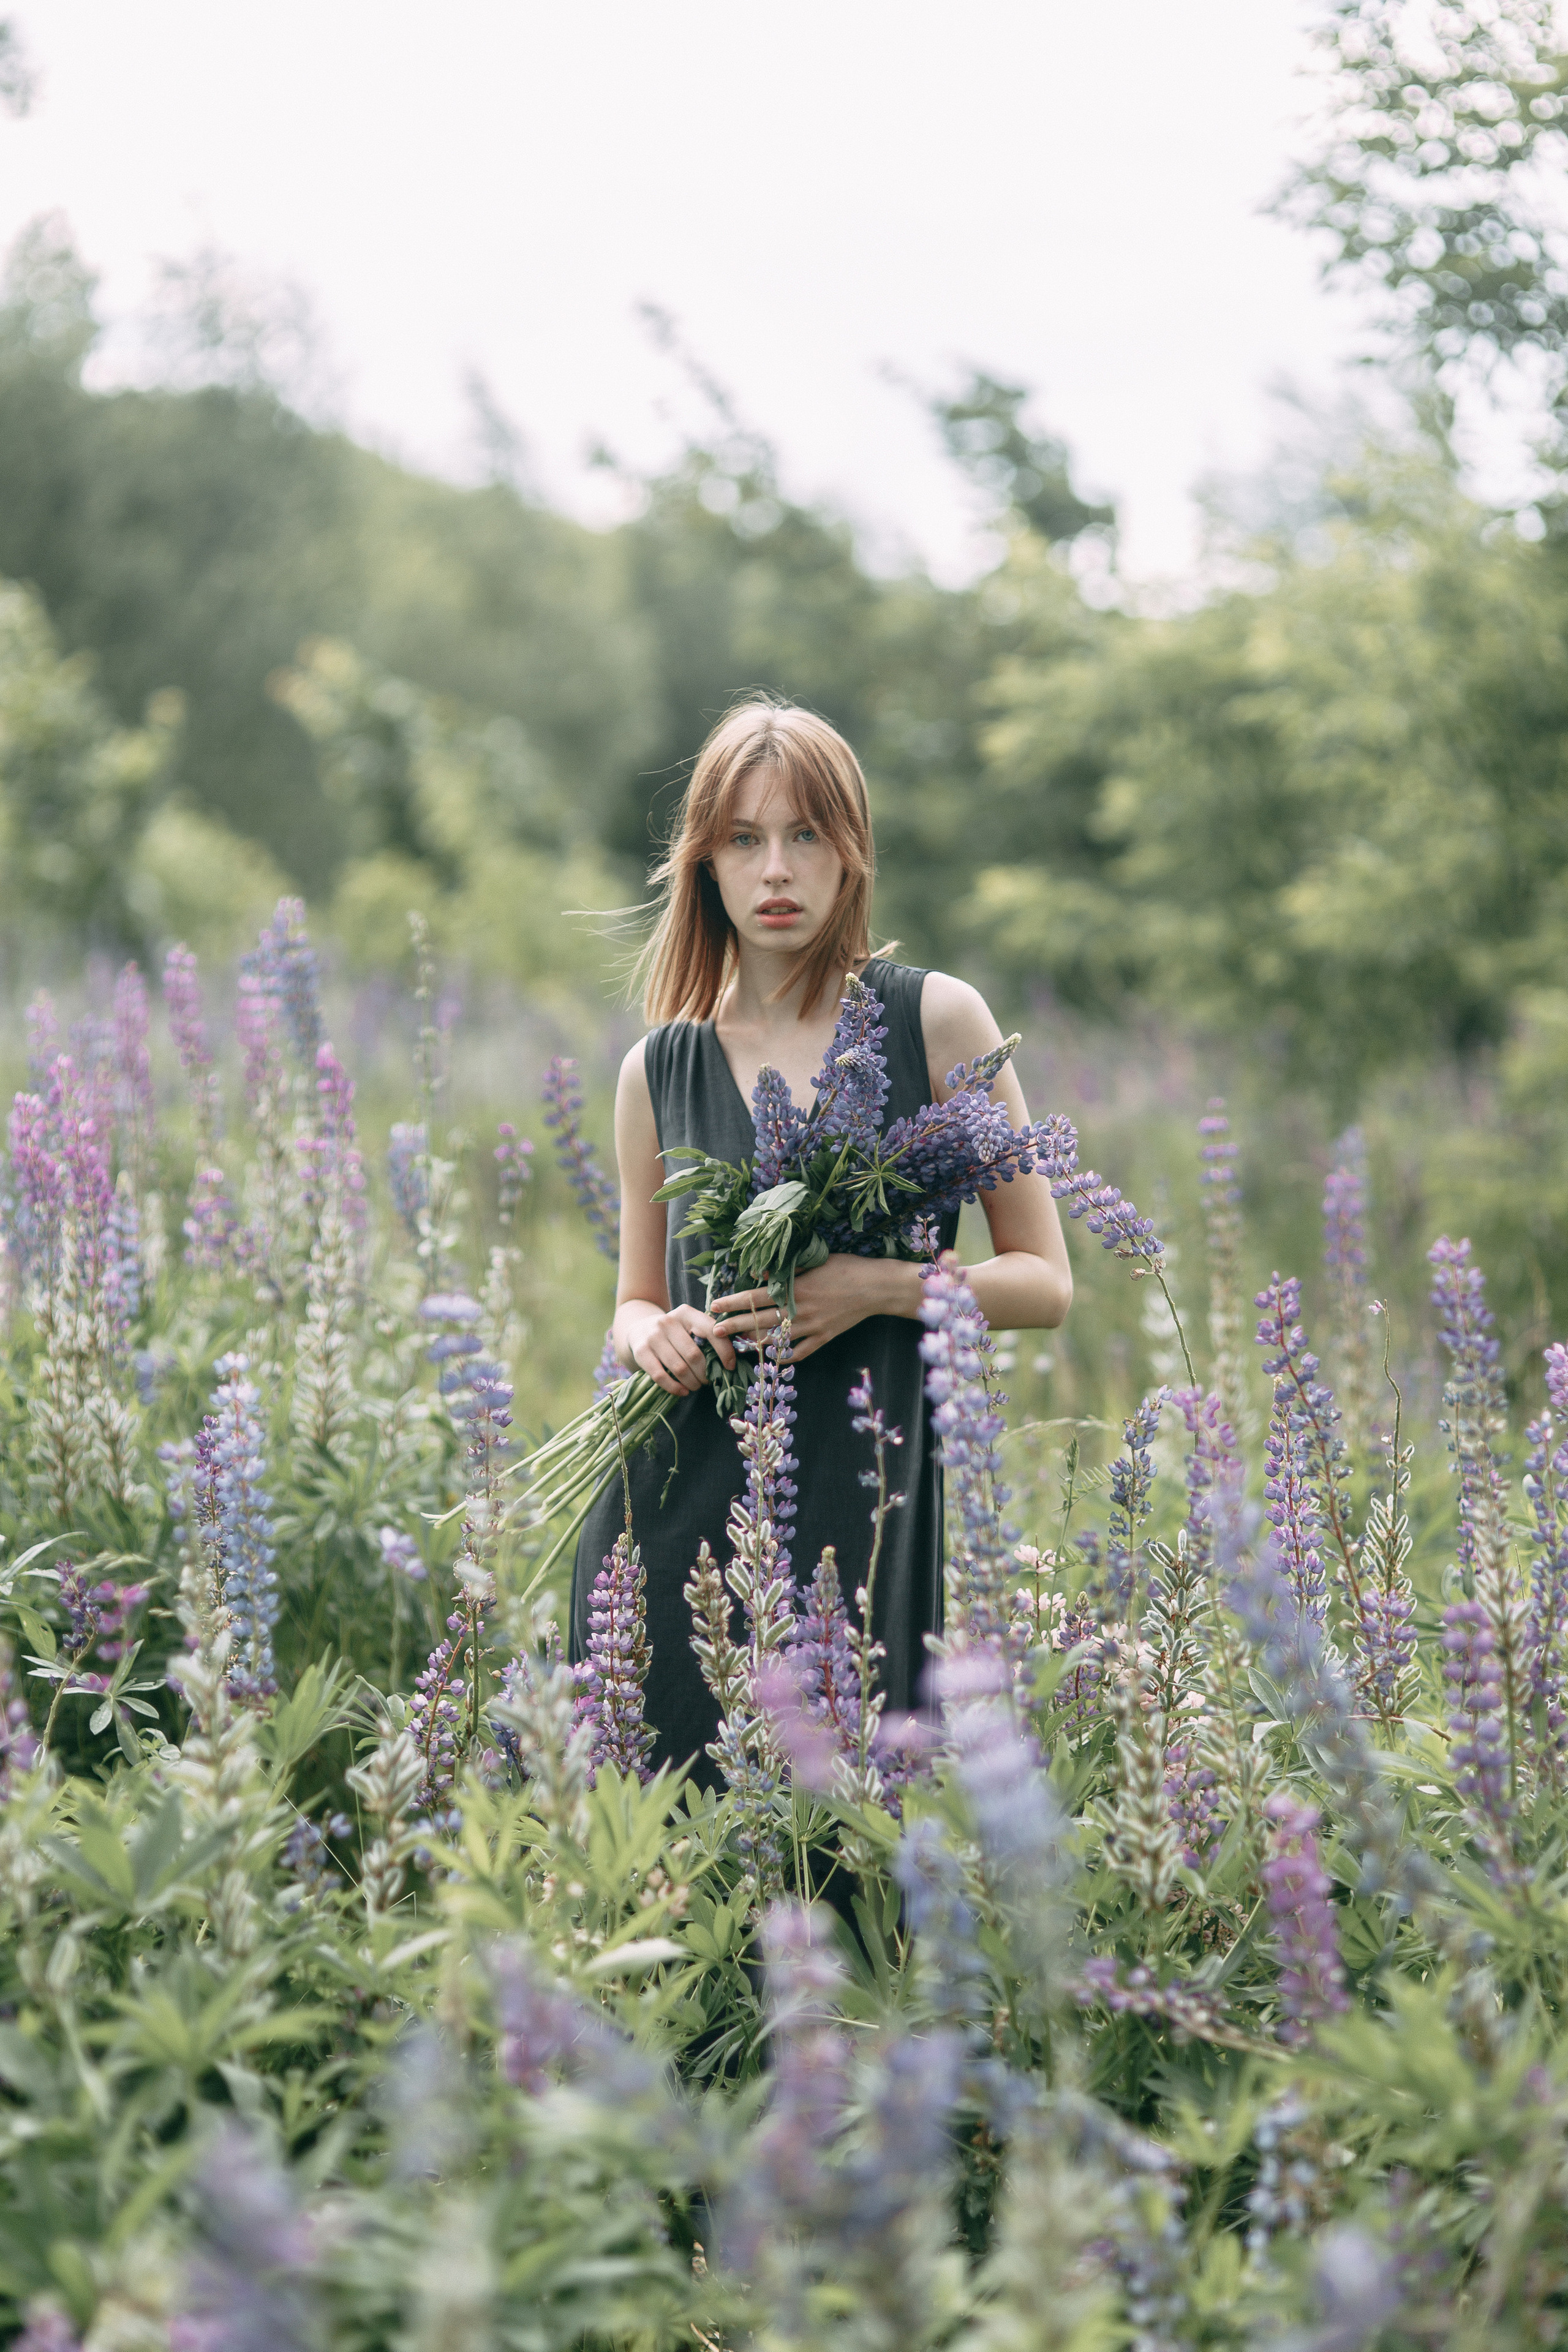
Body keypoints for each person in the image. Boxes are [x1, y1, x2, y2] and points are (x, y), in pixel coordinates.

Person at [570, 699, 1072, 1781]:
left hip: (870, 1502)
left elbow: (1044, 1281)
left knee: (860, 1854)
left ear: (852, 852)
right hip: (677, 1519)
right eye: (744, 841)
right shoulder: (657, 1070)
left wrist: (878, 1288)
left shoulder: (936, 1021)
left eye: (804, 835)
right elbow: (633, 1300)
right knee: (678, 1871)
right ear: (705, 864)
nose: (776, 871)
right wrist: (651, 1336)